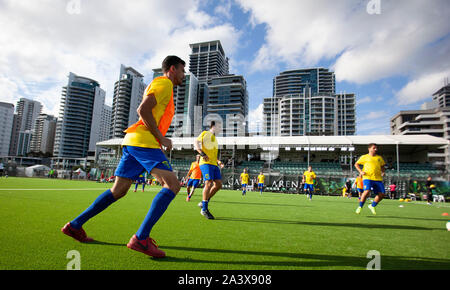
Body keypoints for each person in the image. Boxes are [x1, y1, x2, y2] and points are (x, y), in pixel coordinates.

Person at [61, 55, 186, 258]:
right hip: (142, 142)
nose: (183, 75)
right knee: (172, 185)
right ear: (172, 69)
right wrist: (160, 138)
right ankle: (141, 239)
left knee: (118, 191)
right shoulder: (165, 83)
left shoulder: (161, 85)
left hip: (134, 142)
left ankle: (75, 225)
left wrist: (157, 141)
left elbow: (149, 113)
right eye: (182, 70)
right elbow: (143, 110)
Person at [195, 121, 225, 220]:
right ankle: (204, 209)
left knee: (219, 184)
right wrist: (202, 153)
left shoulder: (215, 140)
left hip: (214, 164)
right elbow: (196, 143)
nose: (220, 129)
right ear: (213, 126)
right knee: (208, 183)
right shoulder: (205, 133)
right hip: (205, 163)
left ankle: (204, 201)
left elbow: (213, 155)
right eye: (219, 126)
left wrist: (219, 162)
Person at [355, 143, 386, 215]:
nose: (376, 149)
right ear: (369, 149)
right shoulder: (364, 157)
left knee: (382, 194)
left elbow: (382, 166)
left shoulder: (379, 158)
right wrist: (361, 171)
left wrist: (383, 172)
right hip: (367, 177)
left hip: (378, 178)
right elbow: (356, 164)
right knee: (367, 191)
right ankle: (360, 207)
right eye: (374, 148)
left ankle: (372, 206)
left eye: (376, 148)